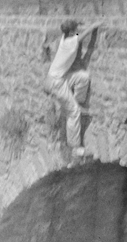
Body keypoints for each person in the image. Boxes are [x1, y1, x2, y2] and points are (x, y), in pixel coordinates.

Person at [45, 18, 103, 158]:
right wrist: (93, 25)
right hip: (56, 83)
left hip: (60, 78)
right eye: (75, 29)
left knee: (83, 77)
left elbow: (77, 35)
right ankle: (75, 148)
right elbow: (83, 36)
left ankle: (76, 100)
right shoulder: (70, 42)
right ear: (71, 32)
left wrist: (80, 24)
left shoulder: (64, 39)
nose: (77, 31)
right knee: (74, 112)